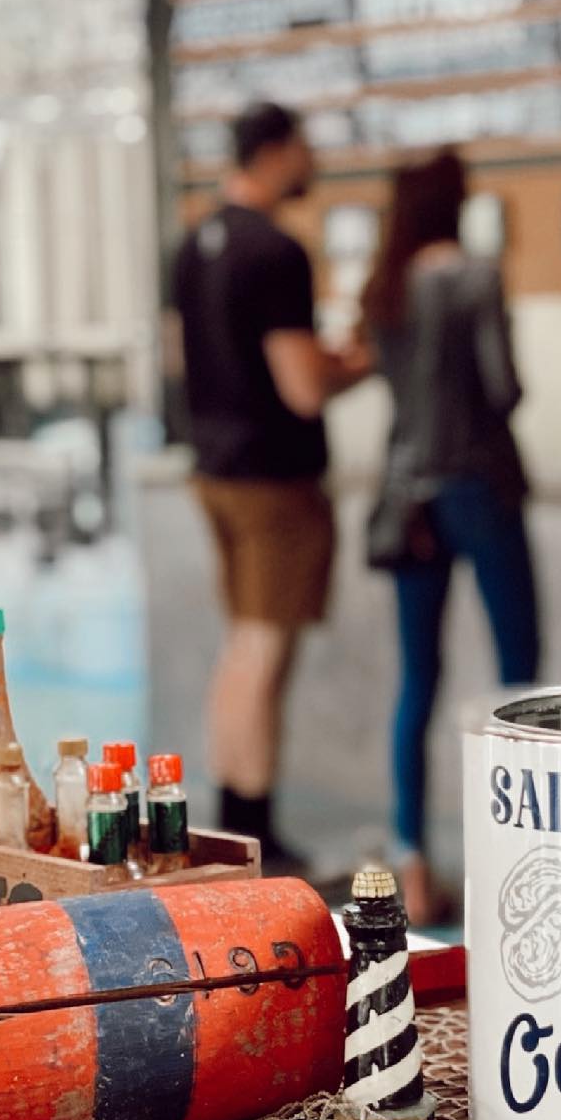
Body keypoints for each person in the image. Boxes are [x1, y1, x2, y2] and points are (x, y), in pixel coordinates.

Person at [171, 102, 370, 869]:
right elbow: (303, 389)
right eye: (305, 148)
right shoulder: (276, 252)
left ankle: (235, 824)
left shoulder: (194, 243)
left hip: (214, 466)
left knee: (242, 644)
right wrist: (362, 362)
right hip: (273, 480)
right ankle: (252, 837)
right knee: (262, 647)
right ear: (279, 152)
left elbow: (179, 361)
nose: (311, 162)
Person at [360, 151, 540, 923]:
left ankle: (413, 859)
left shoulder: (384, 287)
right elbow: (503, 388)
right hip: (481, 489)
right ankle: (519, 856)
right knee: (518, 682)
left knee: (418, 683)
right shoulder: (476, 276)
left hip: (409, 501)